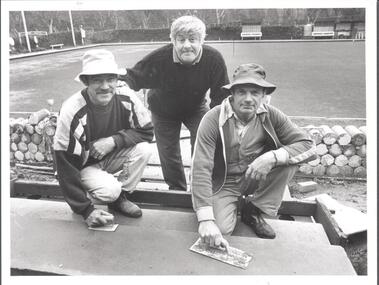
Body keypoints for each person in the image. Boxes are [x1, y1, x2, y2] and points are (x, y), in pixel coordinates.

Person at [191, 63, 317, 249]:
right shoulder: (212, 118)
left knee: (287, 161)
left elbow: (308, 146)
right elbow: (200, 168)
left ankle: (254, 209)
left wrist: (271, 157)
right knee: (220, 231)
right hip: (222, 182)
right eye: (242, 92)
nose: (249, 99)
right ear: (231, 94)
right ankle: (231, 206)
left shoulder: (271, 115)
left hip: (254, 176)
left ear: (264, 95)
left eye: (255, 92)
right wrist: (206, 219)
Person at [119, 15, 229, 191]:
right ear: (173, 41)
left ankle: (199, 186)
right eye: (181, 39)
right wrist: (118, 80)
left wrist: (215, 123)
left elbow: (221, 95)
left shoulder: (213, 59)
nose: (186, 45)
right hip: (163, 110)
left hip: (195, 107)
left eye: (192, 39)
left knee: (204, 142)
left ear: (201, 40)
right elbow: (134, 77)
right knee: (168, 152)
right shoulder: (160, 58)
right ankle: (176, 190)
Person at [53, 49, 154, 228]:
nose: (105, 86)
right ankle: (107, 194)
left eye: (110, 79)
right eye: (97, 80)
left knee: (145, 149)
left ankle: (120, 197)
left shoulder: (126, 96)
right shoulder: (71, 110)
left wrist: (113, 141)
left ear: (117, 80)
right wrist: (86, 210)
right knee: (109, 190)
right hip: (81, 166)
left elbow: (146, 131)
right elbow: (64, 164)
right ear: (86, 82)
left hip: (110, 156)